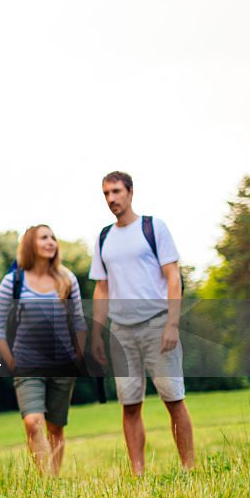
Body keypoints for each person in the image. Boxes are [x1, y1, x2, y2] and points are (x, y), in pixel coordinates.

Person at [89, 170, 195, 476]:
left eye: (116, 192)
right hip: (121, 332)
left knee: (173, 398)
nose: (111, 199)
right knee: (130, 404)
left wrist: (172, 324)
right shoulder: (103, 237)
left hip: (156, 323)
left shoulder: (153, 227)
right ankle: (138, 473)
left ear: (130, 192)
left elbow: (173, 277)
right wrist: (97, 334)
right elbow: (102, 288)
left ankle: (190, 469)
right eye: (106, 194)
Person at [0, 225, 88, 476]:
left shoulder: (67, 279)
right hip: (27, 365)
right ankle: (45, 481)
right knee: (33, 422)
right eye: (43, 237)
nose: (50, 242)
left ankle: (53, 481)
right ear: (30, 245)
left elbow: (79, 321)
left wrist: (79, 356)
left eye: (53, 237)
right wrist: (11, 360)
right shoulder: (13, 281)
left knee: (55, 427)